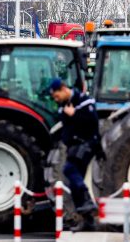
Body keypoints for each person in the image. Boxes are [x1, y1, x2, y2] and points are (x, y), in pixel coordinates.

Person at [49, 78, 101, 232]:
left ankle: (87, 200)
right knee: (73, 183)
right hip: (73, 146)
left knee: (69, 170)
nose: (55, 99)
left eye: (56, 96)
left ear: (64, 89)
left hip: (86, 144)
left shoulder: (84, 101)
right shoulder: (63, 105)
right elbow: (65, 122)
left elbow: (92, 122)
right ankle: (87, 221)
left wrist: (74, 114)